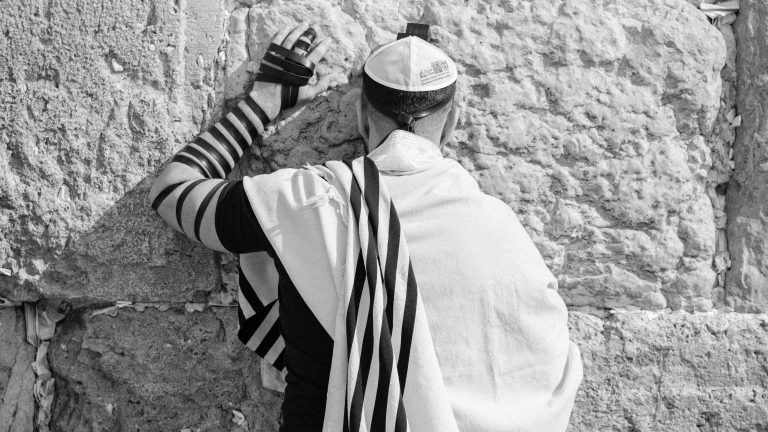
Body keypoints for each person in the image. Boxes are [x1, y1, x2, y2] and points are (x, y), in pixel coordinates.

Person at [149, 22, 583, 432]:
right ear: (451, 122)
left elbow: (171, 193)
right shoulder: (501, 232)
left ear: (360, 116)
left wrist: (261, 102)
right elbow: (546, 372)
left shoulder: (306, 202)